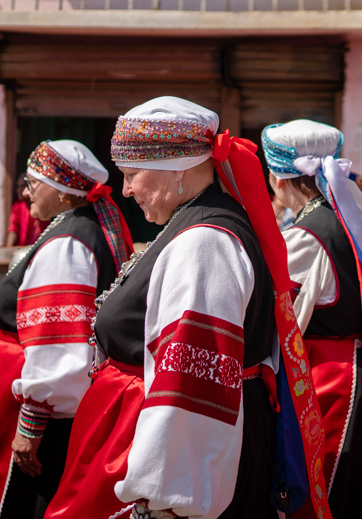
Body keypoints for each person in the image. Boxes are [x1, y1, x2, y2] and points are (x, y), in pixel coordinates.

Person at [45, 97, 330, 519]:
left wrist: (166, 499)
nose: (125, 190)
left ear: (178, 167)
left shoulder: (204, 243)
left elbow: (191, 385)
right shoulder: (194, 222)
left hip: (178, 465)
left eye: (131, 174)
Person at [0, 140, 133, 519]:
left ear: (65, 192)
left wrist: (31, 425)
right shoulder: (77, 229)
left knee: (24, 501)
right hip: (51, 400)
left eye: (33, 183)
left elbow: (59, 345)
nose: (25, 192)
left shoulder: (67, 244)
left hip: (43, 410)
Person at [262, 119, 362, 518]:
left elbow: (276, 316)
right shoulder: (351, 216)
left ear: (279, 180)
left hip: (334, 381)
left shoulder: (307, 236)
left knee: (329, 490)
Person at [7, 172, 46, 247]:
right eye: (17, 187)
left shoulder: (41, 205)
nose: (18, 190)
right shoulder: (18, 206)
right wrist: (9, 249)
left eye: (22, 187)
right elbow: (13, 228)